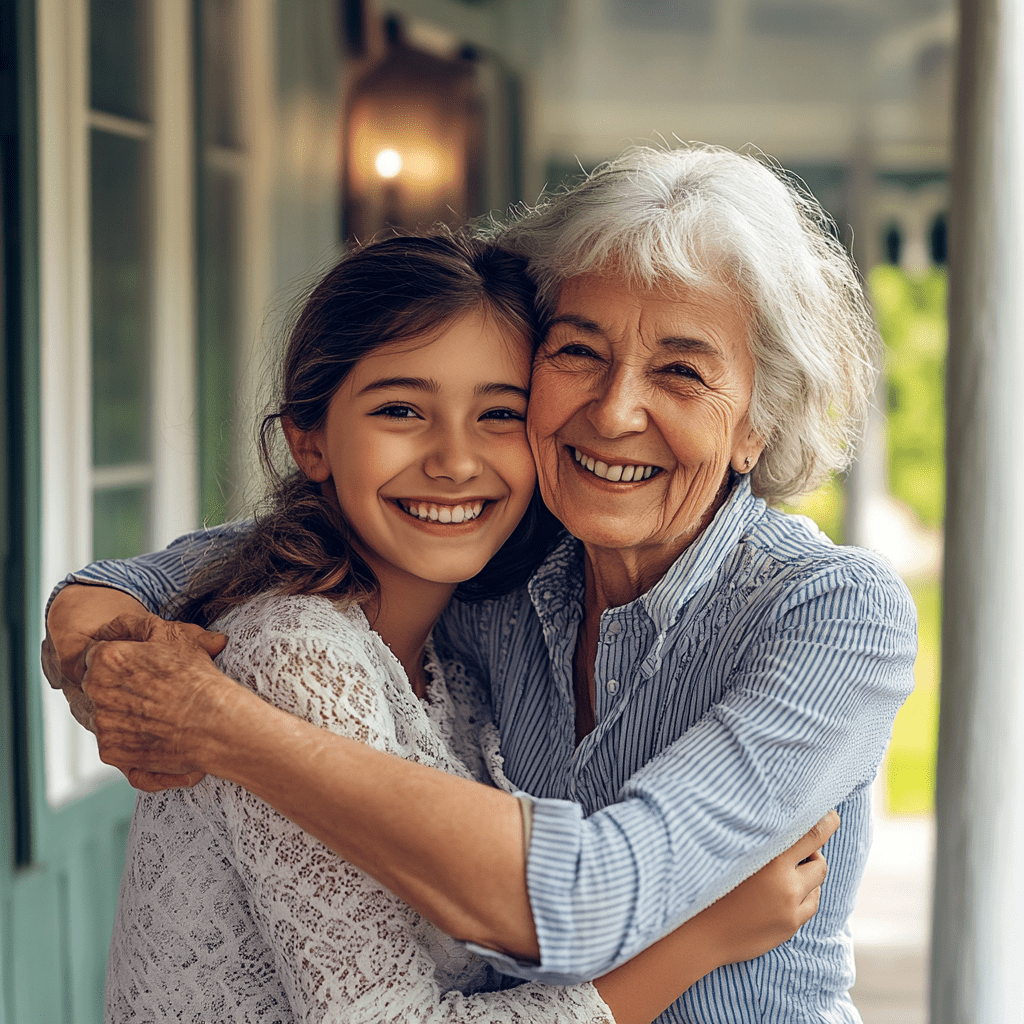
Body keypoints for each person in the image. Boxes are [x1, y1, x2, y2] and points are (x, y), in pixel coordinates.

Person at [45, 143, 916, 1023]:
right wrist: (95, 610)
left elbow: (582, 907)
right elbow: (305, 538)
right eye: (579, 352)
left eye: (682, 372)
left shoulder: (831, 614)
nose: (614, 413)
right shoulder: (508, 562)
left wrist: (219, 723)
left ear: (755, 428)